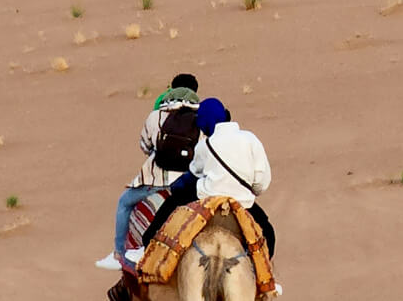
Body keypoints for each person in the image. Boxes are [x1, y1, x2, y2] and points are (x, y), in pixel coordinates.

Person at [129, 97, 275, 262]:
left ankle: (147, 246)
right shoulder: (250, 139)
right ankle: (265, 274)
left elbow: (194, 173)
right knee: (268, 233)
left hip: (207, 196)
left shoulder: (206, 145)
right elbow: (262, 181)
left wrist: (177, 188)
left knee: (170, 205)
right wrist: (246, 190)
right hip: (242, 201)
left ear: (204, 123)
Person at [94, 73, 201, 270]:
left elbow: (145, 146)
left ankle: (119, 254)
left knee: (124, 202)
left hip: (156, 181)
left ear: (171, 90)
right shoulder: (201, 119)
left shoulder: (156, 116)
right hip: (190, 184)